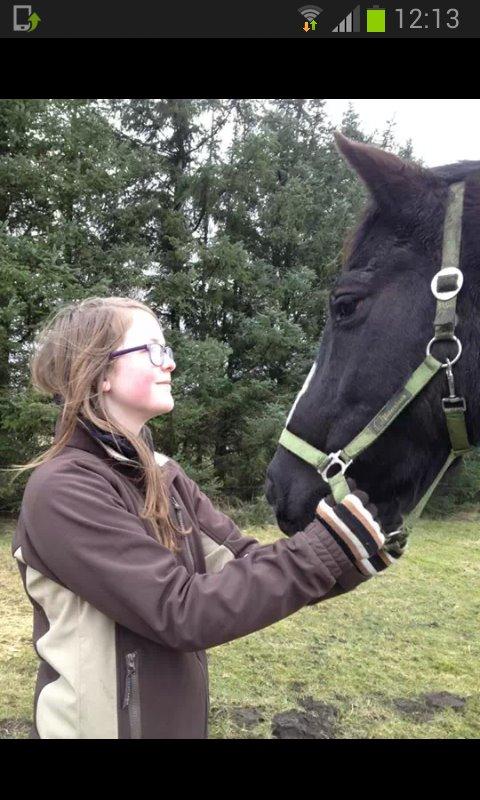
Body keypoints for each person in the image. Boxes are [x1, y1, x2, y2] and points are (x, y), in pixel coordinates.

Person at [9, 296, 404, 739]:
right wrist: (324, 550)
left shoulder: (163, 474)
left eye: (169, 352)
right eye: (154, 351)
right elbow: (180, 611)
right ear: (100, 373)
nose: (170, 365)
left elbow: (243, 567)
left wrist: (352, 557)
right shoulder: (64, 488)